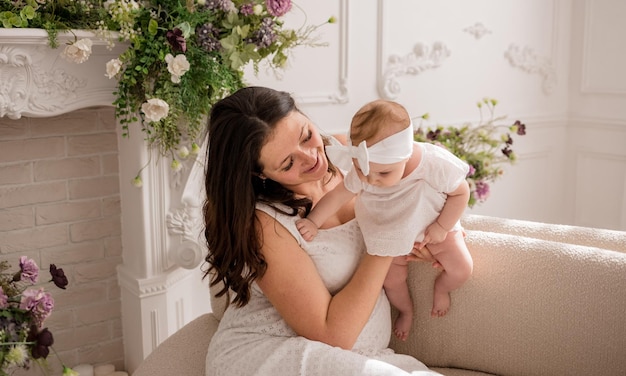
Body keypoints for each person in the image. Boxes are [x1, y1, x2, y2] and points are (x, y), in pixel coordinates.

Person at [202, 86, 443, 375]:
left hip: (364, 356)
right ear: (259, 173)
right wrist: (389, 242)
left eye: (306, 136)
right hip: (272, 352)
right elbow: (332, 336)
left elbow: (422, 197)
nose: (311, 157)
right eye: (288, 162)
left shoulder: (350, 157)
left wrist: (432, 236)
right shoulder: (264, 224)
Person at [296, 100, 474, 341]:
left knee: (463, 268)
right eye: (362, 170)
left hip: (433, 226)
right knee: (391, 280)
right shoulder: (366, 170)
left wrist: (442, 227)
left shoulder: (433, 163)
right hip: (391, 233)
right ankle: (406, 310)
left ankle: (442, 289)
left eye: (383, 173)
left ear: (407, 154)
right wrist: (314, 221)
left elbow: (461, 193)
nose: (371, 180)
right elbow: (338, 196)